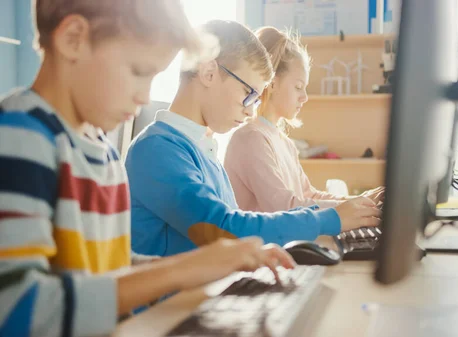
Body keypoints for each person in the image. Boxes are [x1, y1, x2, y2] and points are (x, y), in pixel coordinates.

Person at [0, 3, 293, 336]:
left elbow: (110, 266)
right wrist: (180, 270)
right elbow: (15, 307)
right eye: (139, 71)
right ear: (74, 38)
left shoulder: (101, 150)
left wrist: (206, 264)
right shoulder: (21, 138)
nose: (145, 96)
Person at [125, 20, 381, 257]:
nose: (250, 110)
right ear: (208, 73)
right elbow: (225, 229)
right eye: (248, 94)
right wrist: (331, 218)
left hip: (210, 293)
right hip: (175, 305)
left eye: (256, 99)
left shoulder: (204, 152)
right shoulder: (157, 150)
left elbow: (237, 229)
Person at [224, 26, 384, 213]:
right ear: (273, 83)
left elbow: (309, 196)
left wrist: (360, 200)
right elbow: (284, 207)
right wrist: (355, 206)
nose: (305, 97)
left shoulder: (284, 142)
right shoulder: (251, 138)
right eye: (298, 87)